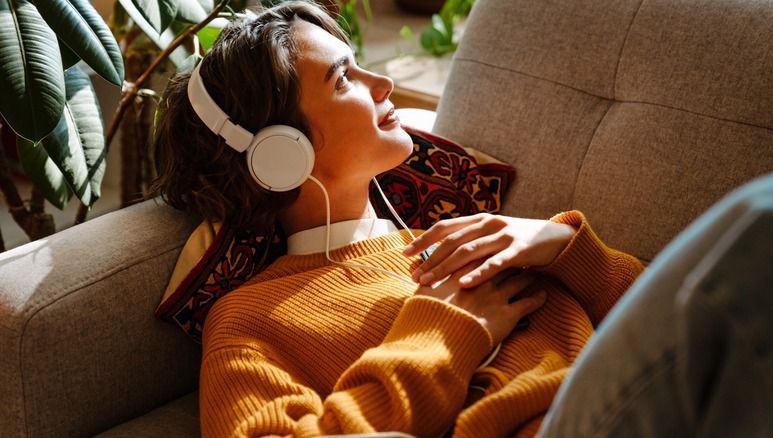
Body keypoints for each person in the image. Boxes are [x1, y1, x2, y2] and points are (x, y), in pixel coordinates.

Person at [149, 2, 644, 436]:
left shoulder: (464, 237)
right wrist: (442, 333)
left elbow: (662, 309)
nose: (383, 83)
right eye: (344, 78)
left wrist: (560, 244)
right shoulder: (249, 321)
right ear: (281, 153)